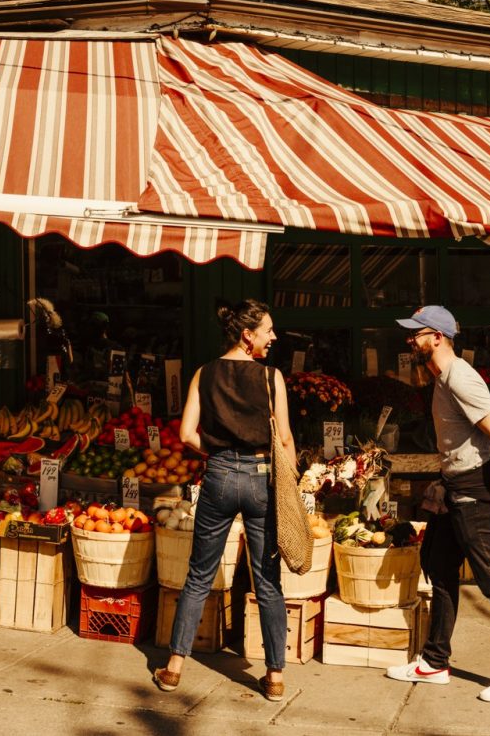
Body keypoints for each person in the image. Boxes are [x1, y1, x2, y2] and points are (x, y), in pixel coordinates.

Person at [385, 305, 490, 703]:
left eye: (416, 334)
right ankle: (435, 662)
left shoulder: (461, 378)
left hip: (476, 490)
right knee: (438, 566)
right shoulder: (440, 378)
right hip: (454, 488)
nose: (410, 340)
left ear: (436, 337)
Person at [154, 299, 295, 702]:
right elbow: (283, 438)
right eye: (268, 330)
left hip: (216, 477)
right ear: (247, 335)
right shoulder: (272, 378)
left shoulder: (204, 372)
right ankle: (274, 676)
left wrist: (217, 455)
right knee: (267, 581)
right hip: (261, 477)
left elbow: (185, 434)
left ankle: (174, 668)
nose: (273, 336)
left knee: (199, 575)